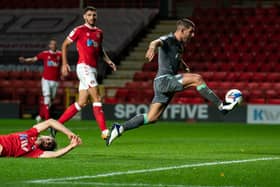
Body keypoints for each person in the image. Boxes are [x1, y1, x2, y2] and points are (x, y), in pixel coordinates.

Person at [106, 18, 239, 146]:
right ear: (182, 30)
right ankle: (222, 106)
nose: (193, 35)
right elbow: (156, 42)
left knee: (151, 118)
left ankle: (120, 128)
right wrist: (152, 47)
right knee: (197, 79)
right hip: (164, 80)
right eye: (191, 31)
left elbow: (175, 57)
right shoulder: (169, 39)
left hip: (164, 83)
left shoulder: (180, 45)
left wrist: (183, 65)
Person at [58, 6, 117, 140]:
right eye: (89, 15)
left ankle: (56, 125)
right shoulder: (79, 30)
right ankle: (105, 132)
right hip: (83, 67)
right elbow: (65, 44)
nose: (92, 17)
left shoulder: (99, 32)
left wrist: (108, 61)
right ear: (84, 16)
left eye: (94, 15)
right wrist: (64, 63)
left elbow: (100, 49)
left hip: (93, 69)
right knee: (97, 98)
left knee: (82, 102)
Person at [19, 39, 62, 123]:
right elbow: (34, 59)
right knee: (47, 97)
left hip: (55, 81)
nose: (53, 46)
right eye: (52, 44)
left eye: (55, 44)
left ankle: (41, 115)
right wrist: (25, 60)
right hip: (46, 79)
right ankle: (47, 120)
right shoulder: (45, 54)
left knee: (50, 101)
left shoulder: (60, 54)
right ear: (49, 46)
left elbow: (64, 62)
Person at [0, 119, 82, 158]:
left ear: (45, 148)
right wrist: (69, 133)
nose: (47, 142)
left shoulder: (35, 152)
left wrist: (71, 146)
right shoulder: (31, 133)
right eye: (49, 139)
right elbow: (50, 122)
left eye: (49, 145)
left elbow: (55, 154)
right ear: (44, 135)